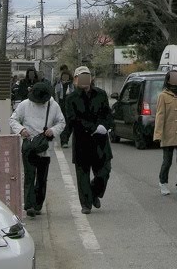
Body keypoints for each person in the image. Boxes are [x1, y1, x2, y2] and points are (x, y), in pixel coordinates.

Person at [10, 81, 65, 218]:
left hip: (44, 145)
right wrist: (21, 129)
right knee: (29, 175)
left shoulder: (54, 106)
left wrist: (52, 130)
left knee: (42, 176)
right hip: (29, 143)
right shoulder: (24, 104)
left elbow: (61, 122)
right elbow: (13, 120)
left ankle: (38, 204)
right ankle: (29, 205)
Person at [64, 66, 114, 215]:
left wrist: (105, 126)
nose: (85, 79)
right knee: (83, 175)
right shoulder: (71, 99)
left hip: (100, 141)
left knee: (105, 171)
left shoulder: (101, 94)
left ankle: (94, 193)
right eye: (81, 76)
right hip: (82, 140)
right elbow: (73, 119)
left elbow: (107, 114)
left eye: (87, 76)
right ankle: (86, 204)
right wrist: (93, 128)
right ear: (75, 80)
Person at [154, 69, 177, 199]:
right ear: (168, 80)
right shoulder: (163, 96)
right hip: (168, 133)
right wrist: (158, 134)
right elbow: (160, 116)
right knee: (167, 161)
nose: (176, 80)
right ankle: (163, 182)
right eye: (173, 78)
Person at [54, 69, 75, 148]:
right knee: (63, 123)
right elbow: (55, 94)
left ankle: (66, 138)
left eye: (67, 76)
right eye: (64, 76)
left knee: (70, 125)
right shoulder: (58, 84)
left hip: (71, 107)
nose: (65, 77)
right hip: (61, 106)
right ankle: (64, 141)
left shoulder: (72, 85)